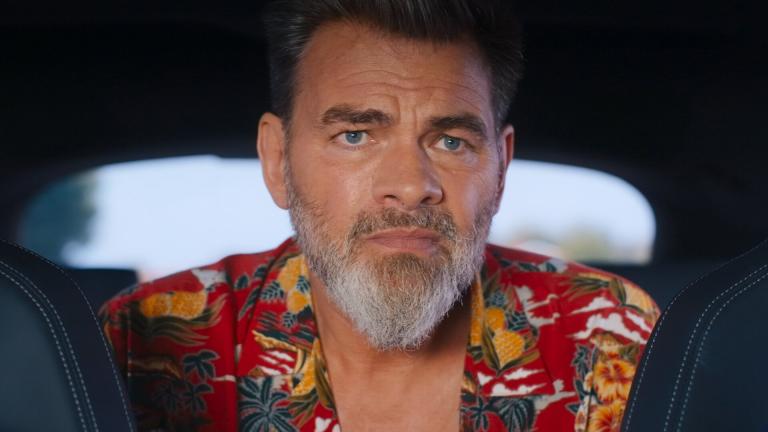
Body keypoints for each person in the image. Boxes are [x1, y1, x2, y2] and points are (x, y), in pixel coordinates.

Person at [100, 0, 660, 430]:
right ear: (277, 161)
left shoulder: (607, 334)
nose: (410, 187)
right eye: (355, 135)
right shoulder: (144, 341)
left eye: (451, 142)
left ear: (501, 167)